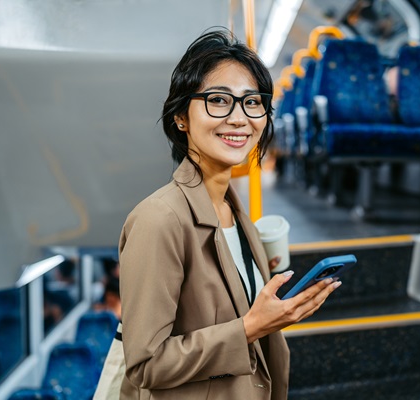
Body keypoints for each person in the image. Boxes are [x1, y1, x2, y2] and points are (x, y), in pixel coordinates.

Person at [118, 28, 341, 399]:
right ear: (181, 118)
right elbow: (146, 364)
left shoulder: (232, 209)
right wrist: (251, 327)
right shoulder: (159, 220)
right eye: (219, 100)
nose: (240, 118)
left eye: (252, 102)